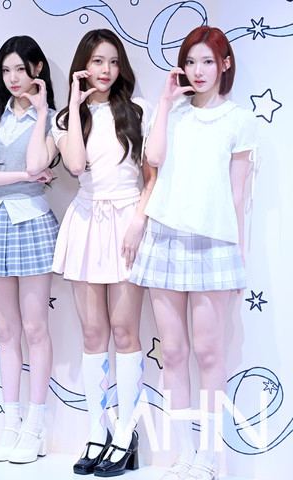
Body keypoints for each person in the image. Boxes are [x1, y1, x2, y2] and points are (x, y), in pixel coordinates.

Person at [130, 26, 257, 480]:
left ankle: (210, 454)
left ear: (225, 64)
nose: (198, 70)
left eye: (207, 61)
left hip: (213, 245)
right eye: (190, 61)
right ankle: (183, 452)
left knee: (208, 352)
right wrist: (165, 103)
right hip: (165, 239)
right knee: (174, 352)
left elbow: (238, 195)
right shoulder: (173, 113)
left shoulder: (238, 120)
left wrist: (239, 256)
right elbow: (154, 161)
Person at [52, 29, 155, 476]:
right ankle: (98, 433)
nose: (106, 70)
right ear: (83, 66)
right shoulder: (66, 119)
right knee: (93, 334)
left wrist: (138, 223)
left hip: (127, 221)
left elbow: (151, 178)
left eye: (113, 62)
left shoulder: (139, 111)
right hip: (85, 223)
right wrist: (75, 106)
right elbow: (76, 166)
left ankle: (126, 436)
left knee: (125, 331)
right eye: (97, 61)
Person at [0, 35, 59, 464]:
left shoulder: (54, 118)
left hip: (32, 222)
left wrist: (41, 113)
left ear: (38, 69)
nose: (13, 78)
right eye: (6, 70)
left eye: (21, 68)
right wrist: (18, 176)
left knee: (36, 329)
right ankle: (10, 421)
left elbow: (40, 164)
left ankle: (35, 427)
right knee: (6, 332)